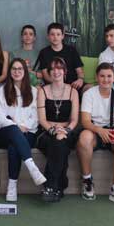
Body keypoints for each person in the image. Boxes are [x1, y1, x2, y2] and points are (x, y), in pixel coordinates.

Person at [76, 63, 114, 206]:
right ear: (97, 78)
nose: (106, 79)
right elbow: (85, 121)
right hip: (94, 131)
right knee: (84, 137)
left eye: (109, 76)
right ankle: (87, 180)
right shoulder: (89, 94)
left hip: (111, 133)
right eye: (102, 76)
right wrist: (100, 131)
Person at [0, 58, 47, 202]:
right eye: (14, 69)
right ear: (10, 72)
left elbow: (36, 117)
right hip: (4, 132)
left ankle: (12, 186)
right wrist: (16, 126)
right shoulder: (2, 91)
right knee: (13, 130)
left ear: (25, 72)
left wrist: (24, 127)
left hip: (28, 132)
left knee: (14, 147)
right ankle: (32, 167)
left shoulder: (34, 92)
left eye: (20, 69)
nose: (16, 72)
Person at [37, 57, 79, 202]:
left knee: (60, 142)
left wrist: (65, 131)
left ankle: (50, 186)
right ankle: (59, 184)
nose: (56, 71)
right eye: (53, 69)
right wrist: (54, 131)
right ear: (49, 72)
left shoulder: (73, 92)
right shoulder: (42, 91)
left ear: (65, 71)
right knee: (59, 145)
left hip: (68, 131)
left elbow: (74, 120)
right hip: (46, 131)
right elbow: (42, 120)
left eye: (60, 68)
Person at [37, 22, 87, 91]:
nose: (55, 37)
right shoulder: (44, 52)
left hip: (73, 84)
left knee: (89, 88)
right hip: (54, 84)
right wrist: (61, 85)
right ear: (48, 36)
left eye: (58, 34)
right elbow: (46, 75)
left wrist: (80, 79)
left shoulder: (71, 50)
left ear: (62, 36)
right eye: (52, 34)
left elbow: (79, 71)